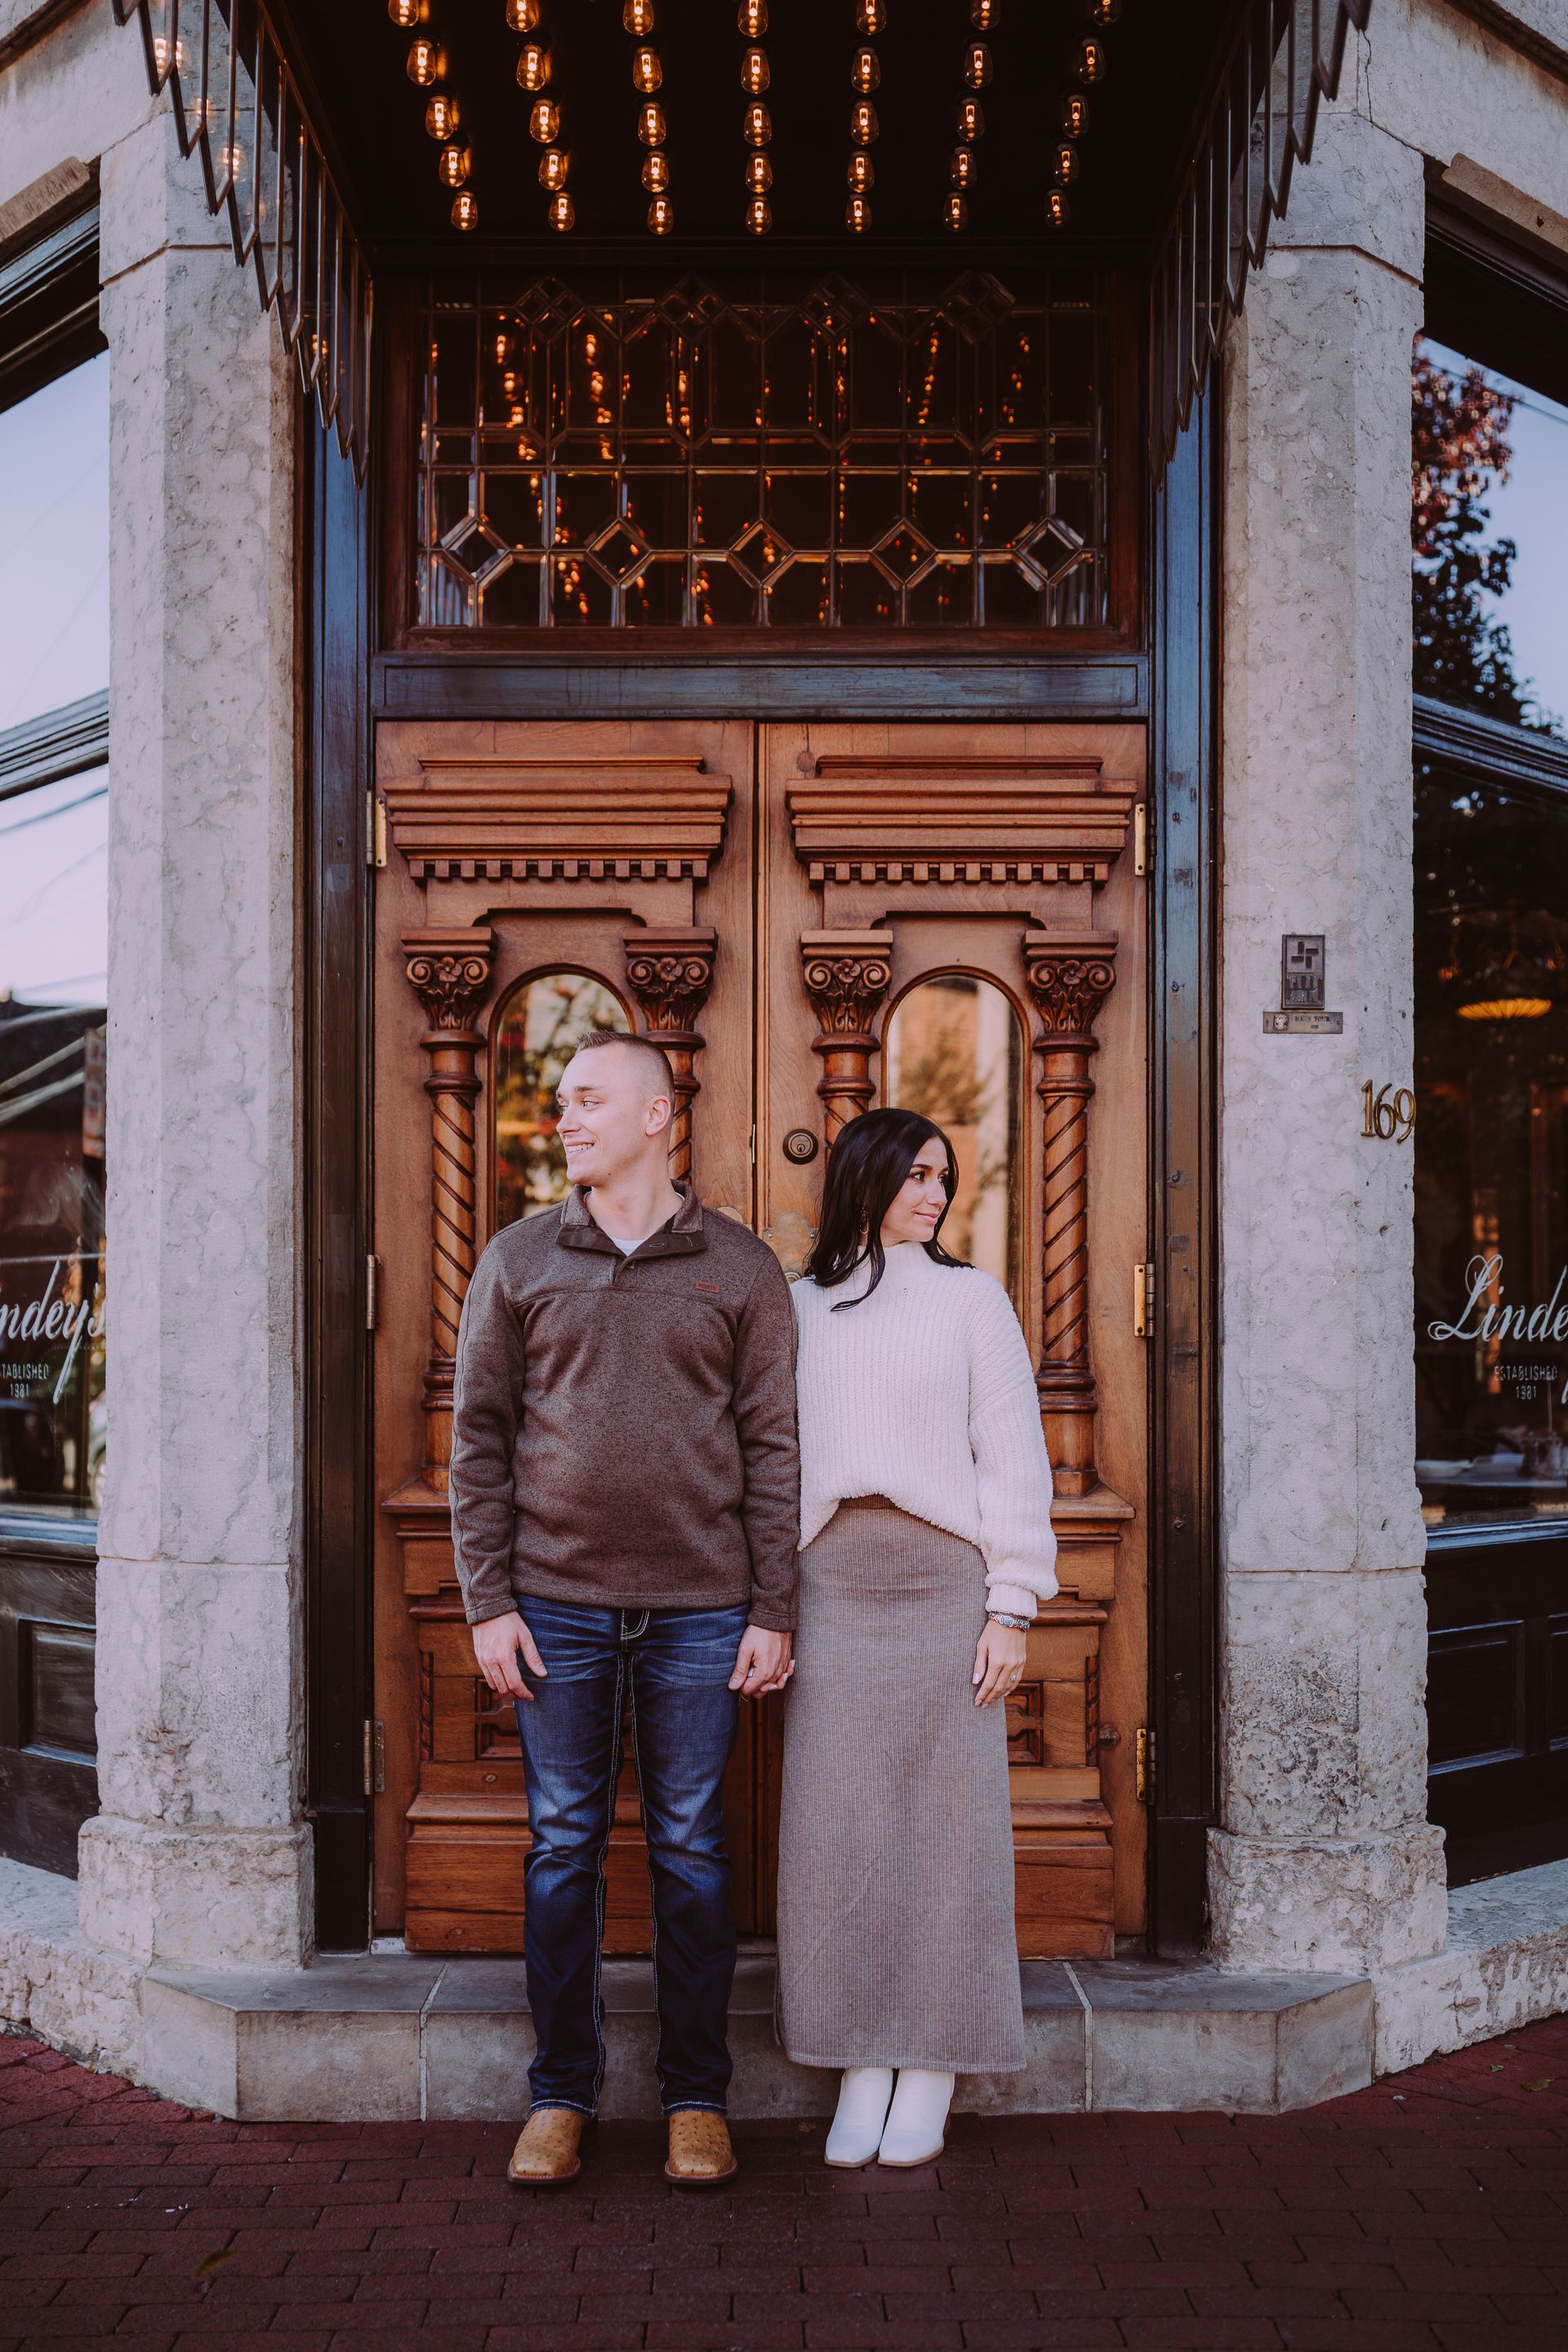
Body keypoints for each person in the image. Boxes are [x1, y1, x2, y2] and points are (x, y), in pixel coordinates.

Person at [449, 1029, 799, 2189]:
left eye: (588, 1099)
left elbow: (774, 1449)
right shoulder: (519, 1257)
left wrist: (772, 1606)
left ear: (658, 1115)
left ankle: (698, 2098)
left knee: (693, 1850)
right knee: (563, 1849)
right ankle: (562, 2095)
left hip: (704, 1610)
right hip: (556, 1606)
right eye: (562, 1102)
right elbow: (479, 1447)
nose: (566, 1118)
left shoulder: (741, 1268)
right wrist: (489, 1602)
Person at [777, 1107, 1058, 2168]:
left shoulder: (971, 1302)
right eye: (916, 1175)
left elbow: (1014, 1458)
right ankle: (859, 2058)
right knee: (836, 1832)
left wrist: (1013, 1605)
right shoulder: (798, 1309)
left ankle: (934, 2059)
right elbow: (774, 1467)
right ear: (864, 1179)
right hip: (830, 1584)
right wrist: (771, 1602)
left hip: (946, 1585)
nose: (935, 1194)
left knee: (950, 1833)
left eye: (945, 1176)